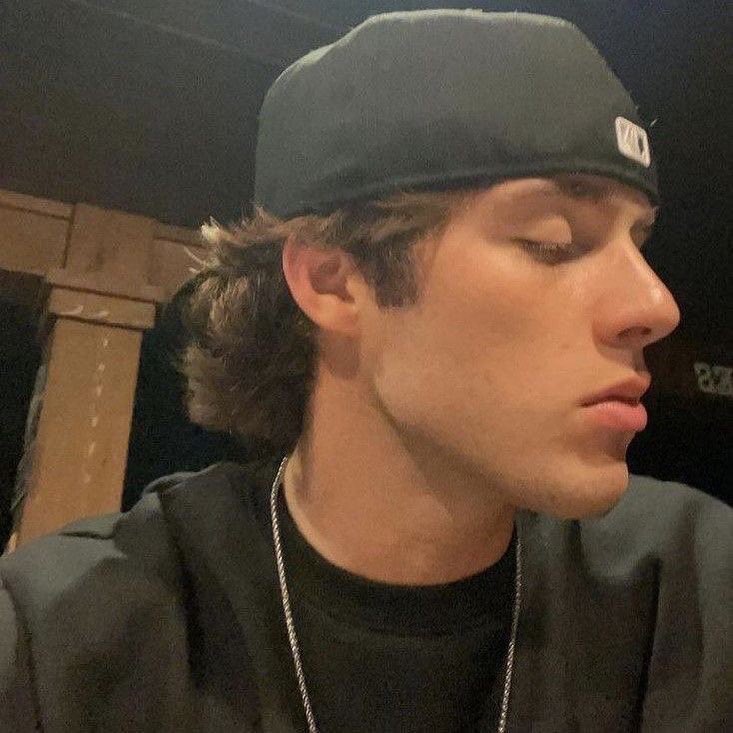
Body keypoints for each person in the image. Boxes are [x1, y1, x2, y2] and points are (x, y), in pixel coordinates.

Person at [1, 9, 730, 733]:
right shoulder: (63, 644)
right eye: (553, 240)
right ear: (333, 281)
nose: (656, 304)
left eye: (638, 242)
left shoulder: (699, 597)